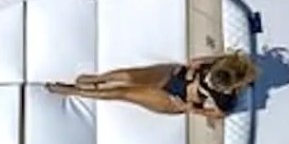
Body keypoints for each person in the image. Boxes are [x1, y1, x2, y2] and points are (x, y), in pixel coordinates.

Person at [45, 50, 259, 118]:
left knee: (123, 93)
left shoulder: (226, 99)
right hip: (175, 75)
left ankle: (74, 91)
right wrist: (198, 66)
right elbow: (194, 61)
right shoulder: (222, 63)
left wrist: (189, 108)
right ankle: (96, 79)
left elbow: (219, 114)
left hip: (175, 100)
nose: (210, 80)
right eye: (212, 76)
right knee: (128, 76)